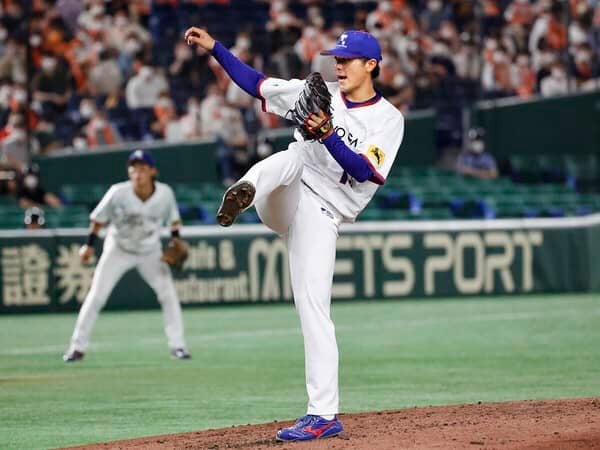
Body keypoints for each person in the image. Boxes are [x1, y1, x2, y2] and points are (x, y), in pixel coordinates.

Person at [185, 27, 404, 442]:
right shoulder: (318, 92)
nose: (339, 66)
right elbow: (256, 83)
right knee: (292, 156)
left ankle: (323, 415)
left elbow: (364, 171)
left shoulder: (388, 119)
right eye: (336, 60)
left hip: (324, 212)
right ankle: (244, 191)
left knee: (313, 307)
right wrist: (215, 48)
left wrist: (328, 134)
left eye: (347, 60)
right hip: (283, 192)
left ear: (371, 65)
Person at [63, 149, 191, 362]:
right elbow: (98, 219)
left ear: (152, 171)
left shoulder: (165, 193)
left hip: (150, 251)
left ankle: (178, 346)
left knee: (168, 295)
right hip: (118, 249)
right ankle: (77, 347)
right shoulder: (118, 192)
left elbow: (174, 221)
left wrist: (176, 240)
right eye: (133, 169)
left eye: (142, 168)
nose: (137, 173)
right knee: (96, 296)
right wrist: (89, 245)